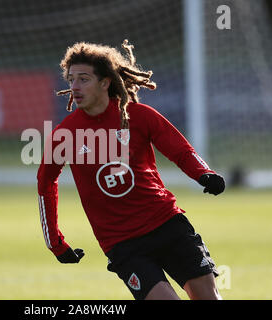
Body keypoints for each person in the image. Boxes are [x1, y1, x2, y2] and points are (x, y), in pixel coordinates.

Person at [37, 40, 225, 300]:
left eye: (83, 79)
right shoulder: (64, 134)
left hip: (168, 225)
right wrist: (55, 243)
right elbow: (45, 184)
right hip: (123, 244)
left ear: (105, 82)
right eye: (71, 80)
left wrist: (204, 174)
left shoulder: (139, 116)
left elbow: (180, 150)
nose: (74, 87)